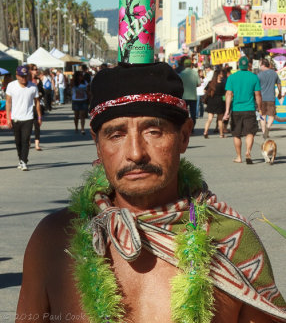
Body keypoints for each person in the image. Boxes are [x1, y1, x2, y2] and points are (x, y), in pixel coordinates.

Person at [16, 62, 286, 323]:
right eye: (115, 135)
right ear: (97, 144)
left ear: (184, 136)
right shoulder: (53, 240)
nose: (135, 153)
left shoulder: (231, 242)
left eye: (154, 131)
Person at [223, 56, 262, 164]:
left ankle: (239, 157)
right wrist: (259, 107)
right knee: (250, 132)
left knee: (236, 134)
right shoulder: (254, 77)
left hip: (236, 109)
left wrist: (227, 111)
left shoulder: (232, 77)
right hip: (249, 108)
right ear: (248, 65)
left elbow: (228, 94)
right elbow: (258, 95)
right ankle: (248, 151)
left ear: (239, 65)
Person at [5, 65, 42, 171]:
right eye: (21, 76)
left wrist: (39, 116)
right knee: (18, 141)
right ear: (17, 76)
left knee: (26, 140)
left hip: (28, 117)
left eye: (25, 76)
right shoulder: (11, 86)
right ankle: (21, 159)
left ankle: (24, 161)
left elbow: (37, 102)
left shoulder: (33, 87)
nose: (23, 78)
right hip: (15, 117)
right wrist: (8, 118)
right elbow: (8, 102)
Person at [258, 58, 282, 138]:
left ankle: (264, 131)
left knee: (262, 116)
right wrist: (280, 93)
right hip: (271, 98)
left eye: (260, 65)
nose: (260, 67)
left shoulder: (259, 75)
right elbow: (279, 83)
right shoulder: (274, 74)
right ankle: (267, 128)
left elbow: (256, 87)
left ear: (264, 65)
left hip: (261, 99)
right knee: (271, 116)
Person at [203, 68, 226, 139]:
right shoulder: (222, 84)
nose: (222, 75)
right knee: (220, 119)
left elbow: (204, 90)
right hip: (219, 102)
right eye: (221, 74)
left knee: (209, 118)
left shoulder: (211, 83)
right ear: (218, 75)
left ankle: (205, 132)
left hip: (211, 101)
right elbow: (225, 94)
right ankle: (221, 134)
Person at [179, 58, 201, 131]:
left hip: (184, 96)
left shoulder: (182, 74)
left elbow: (179, 85)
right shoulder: (195, 73)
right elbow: (199, 84)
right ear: (191, 65)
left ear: (184, 65)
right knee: (193, 114)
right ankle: (192, 128)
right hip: (193, 96)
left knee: (184, 113)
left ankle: (184, 127)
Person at [27, 64, 44, 151]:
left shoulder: (38, 80)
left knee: (37, 125)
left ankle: (37, 144)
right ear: (30, 70)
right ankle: (28, 141)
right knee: (28, 125)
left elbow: (42, 92)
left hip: (37, 105)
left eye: (36, 69)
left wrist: (40, 94)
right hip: (28, 106)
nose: (36, 71)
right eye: (34, 69)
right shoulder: (25, 81)